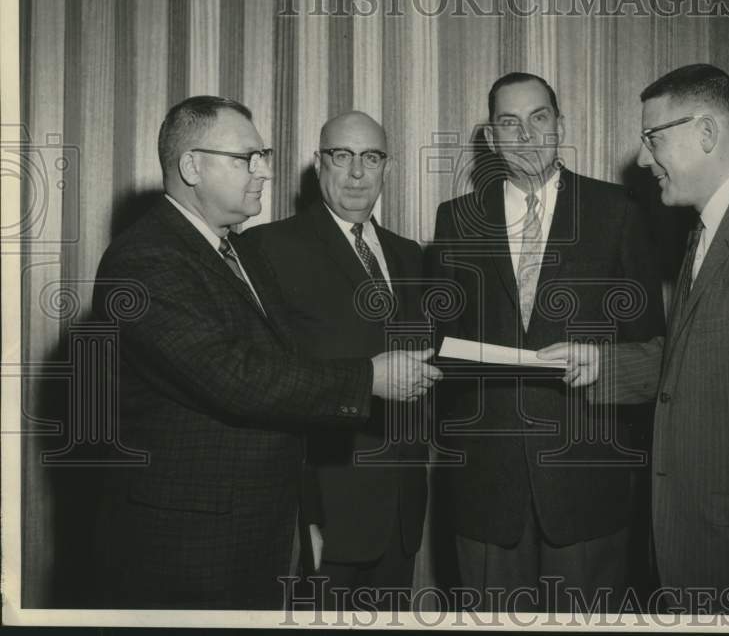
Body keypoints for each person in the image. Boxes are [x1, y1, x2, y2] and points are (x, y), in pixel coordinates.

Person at [92, 96, 439, 610]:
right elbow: (234, 376)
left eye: (263, 156)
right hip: (195, 541)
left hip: (262, 527)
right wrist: (367, 379)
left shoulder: (219, 249)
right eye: (246, 159)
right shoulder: (147, 258)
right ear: (192, 166)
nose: (263, 172)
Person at [542, 63, 729, 615]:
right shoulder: (709, 229)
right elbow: (697, 359)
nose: (642, 159)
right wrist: (601, 364)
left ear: (706, 133)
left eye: (653, 137)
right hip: (698, 554)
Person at [427, 73, 664, 612]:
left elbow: (651, 346)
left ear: (561, 125)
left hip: (587, 482)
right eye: (510, 123)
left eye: (539, 118)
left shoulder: (618, 211)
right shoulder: (456, 220)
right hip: (487, 487)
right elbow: (438, 342)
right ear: (490, 138)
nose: (527, 135)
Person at [243, 112, 428, 610]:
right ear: (318, 163)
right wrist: (306, 516)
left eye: (371, 158)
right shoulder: (268, 248)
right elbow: (266, 384)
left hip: (400, 514)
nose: (356, 174)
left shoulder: (410, 256)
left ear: (386, 167)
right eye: (341, 156)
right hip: (322, 514)